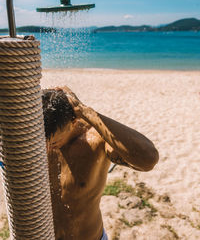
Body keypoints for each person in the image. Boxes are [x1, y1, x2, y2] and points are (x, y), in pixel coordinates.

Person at [42, 86, 159, 240]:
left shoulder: (95, 140)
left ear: (73, 121)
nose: (47, 147)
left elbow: (148, 160)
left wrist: (87, 112)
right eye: (43, 142)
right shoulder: (37, 136)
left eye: (55, 141)